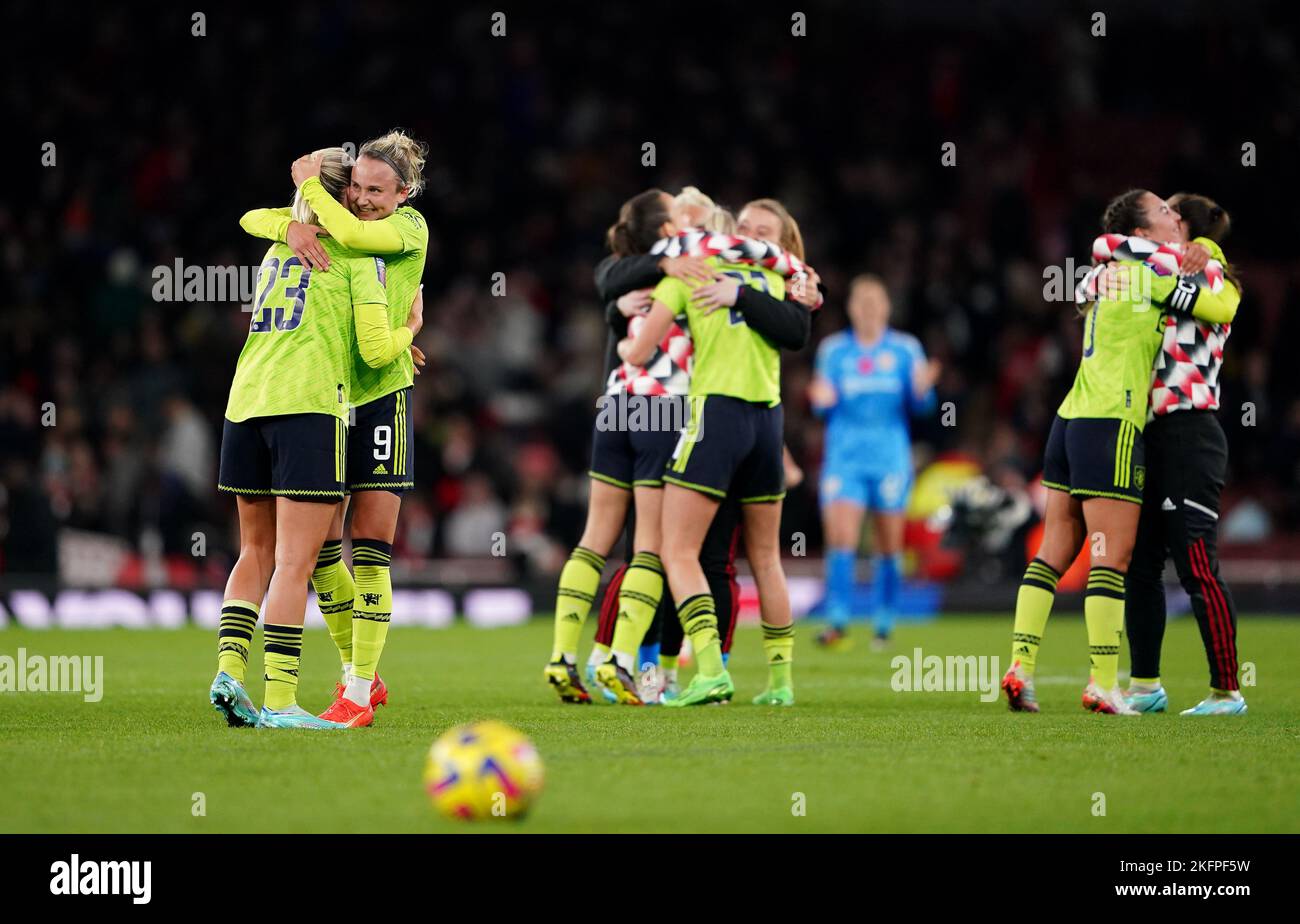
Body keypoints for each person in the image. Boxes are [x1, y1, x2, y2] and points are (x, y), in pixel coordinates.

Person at [1000, 189, 1240, 715]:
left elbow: (1091, 272)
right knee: (1114, 560)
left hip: (1067, 421)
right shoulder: (1151, 273)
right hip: (1113, 422)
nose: (1172, 219)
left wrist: (1203, 249)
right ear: (1143, 233)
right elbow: (1221, 303)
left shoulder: (1107, 269)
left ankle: (1021, 667)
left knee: (1053, 551)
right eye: (1163, 213)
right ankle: (1105, 682)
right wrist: (1212, 252)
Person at [210, 147, 422, 729]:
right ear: (340, 191)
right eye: (355, 187)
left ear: (403, 195)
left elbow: (255, 218)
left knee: (311, 549)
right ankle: (286, 699)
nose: (362, 198)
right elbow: (376, 344)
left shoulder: (394, 229)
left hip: (275, 399)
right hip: (316, 402)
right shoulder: (348, 254)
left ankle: (334, 682)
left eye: (377, 190)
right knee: (305, 558)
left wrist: (297, 212)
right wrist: (410, 328)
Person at [623, 197, 808, 706]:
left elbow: (639, 352)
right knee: (767, 558)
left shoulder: (692, 272)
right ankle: (781, 682)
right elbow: (797, 327)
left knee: (676, 550)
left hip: (716, 417)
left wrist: (624, 344)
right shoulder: (780, 283)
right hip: (768, 423)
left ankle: (708, 671)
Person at [1122, 193, 1246, 715]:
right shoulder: (1163, 270)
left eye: (1173, 212)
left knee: (1196, 562)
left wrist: (1207, 251)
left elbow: (1220, 300)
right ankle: (1145, 686)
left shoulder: (1208, 277)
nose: (1165, 217)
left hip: (1190, 432)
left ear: (1188, 229)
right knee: (1142, 566)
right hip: (1152, 434)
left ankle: (1227, 690)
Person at [810, 274, 939, 651]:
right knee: (841, 537)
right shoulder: (834, 350)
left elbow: (922, 406)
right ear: (851, 308)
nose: (867, 309)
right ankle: (837, 620)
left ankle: (884, 621)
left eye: (874, 302)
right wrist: (819, 398)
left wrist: (923, 392)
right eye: (860, 302)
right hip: (845, 458)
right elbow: (821, 403)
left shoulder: (904, 349)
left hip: (889, 458)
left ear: (886, 307)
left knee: (888, 543)